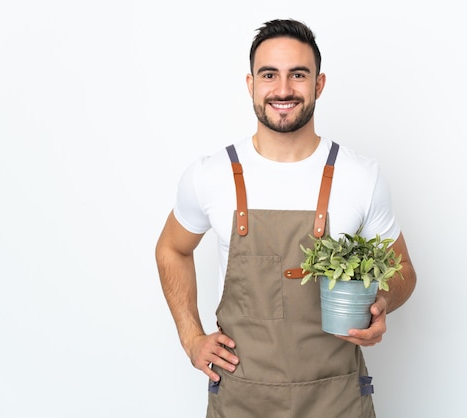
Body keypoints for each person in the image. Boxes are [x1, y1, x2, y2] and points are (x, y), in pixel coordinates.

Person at [155, 18, 416, 418]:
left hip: (338, 400)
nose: (283, 89)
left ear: (319, 84)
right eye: (269, 75)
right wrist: (191, 338)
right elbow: (171, 248)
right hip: (242, 400)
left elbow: (404, 273)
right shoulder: (210, 175)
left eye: (298, 74)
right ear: (250, 84)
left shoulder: (361, 176)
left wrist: (381, 302)